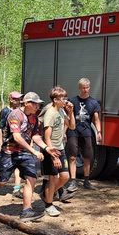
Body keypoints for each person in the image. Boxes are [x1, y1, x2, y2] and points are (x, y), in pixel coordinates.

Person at [0, 92, 57, 222]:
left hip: (25, 153)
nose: (37, 106)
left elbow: (35, 135)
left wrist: (46, 147)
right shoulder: (15, 115)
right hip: (10, 152)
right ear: (27, 103)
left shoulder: (33, 117)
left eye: (38, 104)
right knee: (1, 181)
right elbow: (17, 137)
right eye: (35, 104)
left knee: (31, 178)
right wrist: (34, 151)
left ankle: (26, 211)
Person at [39, 86, 75, 217]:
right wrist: (53, 156)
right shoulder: (50, 113)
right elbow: (46, 137)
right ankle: (49, 205)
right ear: (55, 100)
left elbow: (72, 126)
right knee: (53, 178)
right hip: (51, 150)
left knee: (65, 176)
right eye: (62, 98)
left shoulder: (61, 111)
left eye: (65, 97)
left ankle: (47, 193)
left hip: (60, 148)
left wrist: (70, 112)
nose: (65, 100)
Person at [65, 78, 101, 191]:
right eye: (83, 88)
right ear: (79, 88)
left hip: (86, 132)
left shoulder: (93, 102)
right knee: (72, 156)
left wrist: (99, 132)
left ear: (89, 87)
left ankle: (86, 181)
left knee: (87, 157)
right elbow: (67, 117)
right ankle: (73, 181)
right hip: (73, 131)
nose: (85, 90)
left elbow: (96, 119)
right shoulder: (73, 101)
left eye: (87, 87)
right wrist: (64, 132)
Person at [0, 91, 23, 198]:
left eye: (19, 99)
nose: (18, 101)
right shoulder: (5, 111)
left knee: (18, 166)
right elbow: (0, 128)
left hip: (18, 143)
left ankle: (17, 189)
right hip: (7, 143)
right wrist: (0, 143)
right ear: (11, 99)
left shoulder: (21, 111)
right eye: (16, 99)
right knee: (3, 167)